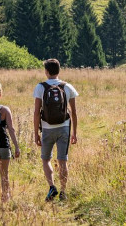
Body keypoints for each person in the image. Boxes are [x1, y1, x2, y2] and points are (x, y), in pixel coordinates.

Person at [33, 59, 78, 201]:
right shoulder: (67, 87)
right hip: (64, 127)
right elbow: (74, 112)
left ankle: (52, 187)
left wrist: (36, 133)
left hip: (47, 128)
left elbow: (36, 112)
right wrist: (74, 133)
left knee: (46, 159)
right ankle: (63, 191)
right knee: (62, 161)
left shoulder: (40, 87)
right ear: (59, 70)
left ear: (46, 72)